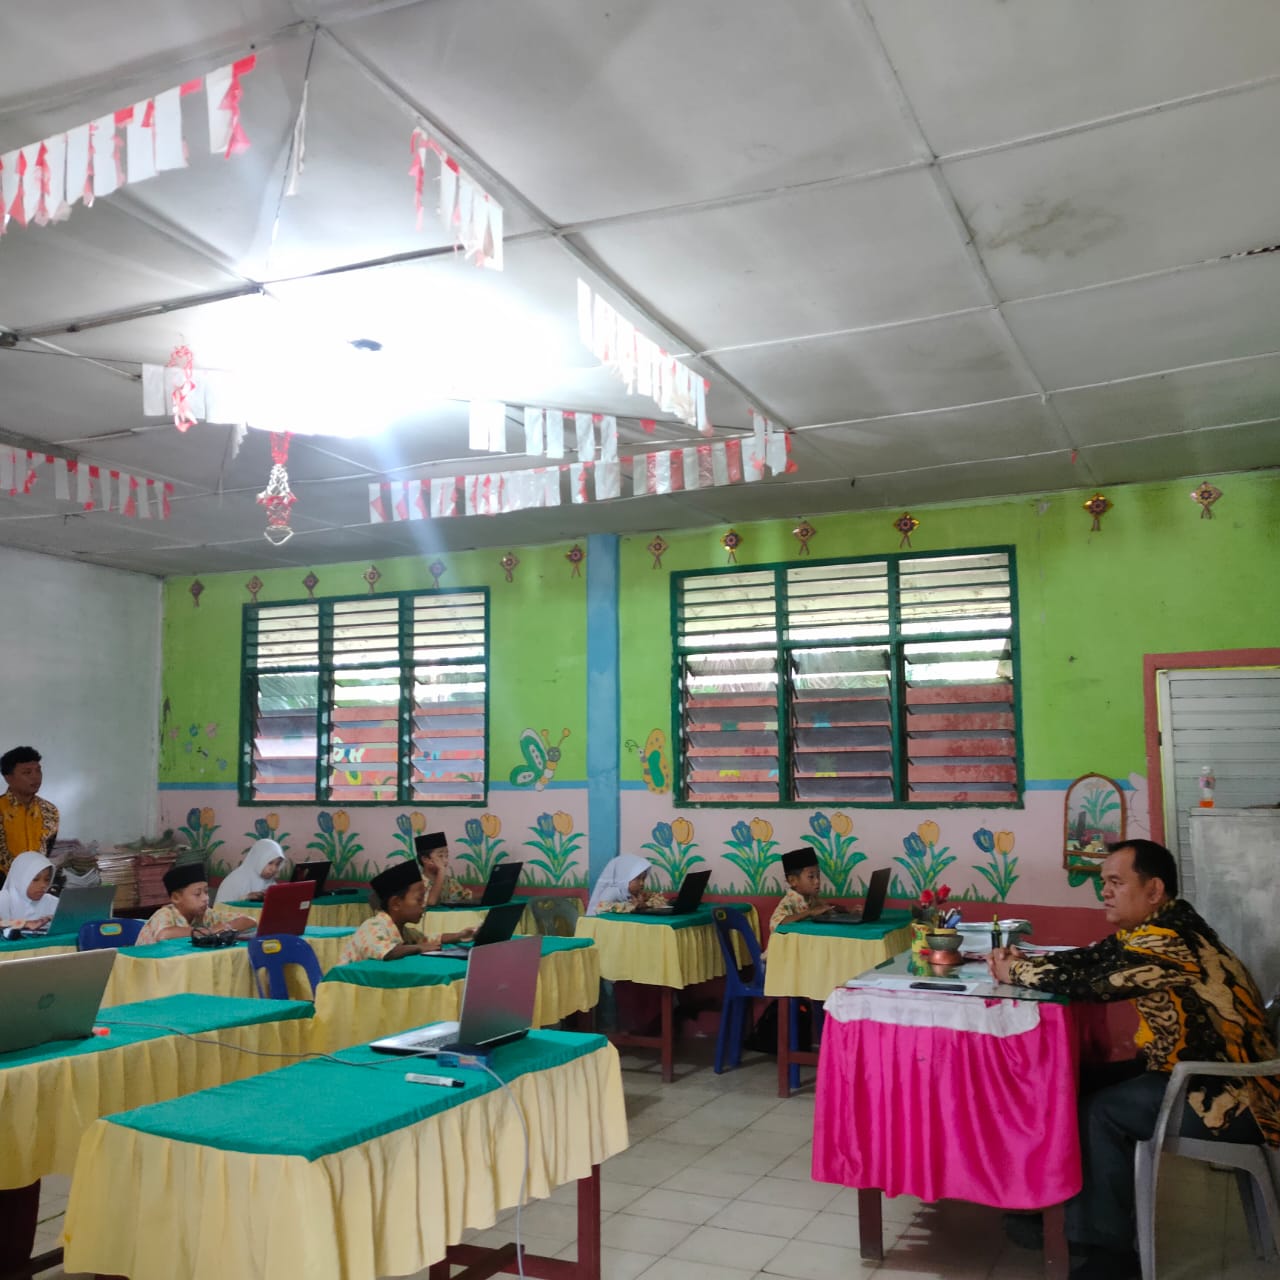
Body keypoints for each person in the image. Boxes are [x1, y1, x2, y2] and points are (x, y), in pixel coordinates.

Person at [988, 839, 1280, 1280]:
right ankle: (1054, 1208)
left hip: (1230, 1094)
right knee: (1069, 1083)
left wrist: (1014, 970)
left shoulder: (1169, 941)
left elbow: (1097, 983)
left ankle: (1109, 1256)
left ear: (1154, 890)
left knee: (1099, 1112)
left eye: (1116, 882)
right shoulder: (1161, 928)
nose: (1105, 891)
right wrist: (1027, 962)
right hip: (1187, 1071)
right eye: (1104, 882)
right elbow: (1094, 959)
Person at [338, 860, 476, 963]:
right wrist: (418, 948)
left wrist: (461, 935)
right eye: (419, 899)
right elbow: (388, 952)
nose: (424, 905)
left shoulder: (403, 931)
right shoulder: (373, 926)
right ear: (396, 904)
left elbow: (429, 939)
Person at [136, 862, 257, 944]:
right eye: (197, 894)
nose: (205, 898)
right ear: (176, 898)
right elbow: (164, 935)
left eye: (206, 892)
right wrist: (211, 931)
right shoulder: (165, 914)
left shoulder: (206, 914)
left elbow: (250, 921)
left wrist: (226, 927)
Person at [0, 746, 59, 879]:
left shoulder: (50, 811)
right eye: (27, 772)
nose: (35, 777)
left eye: (38, 770)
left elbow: (46, 852)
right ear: (8, 777)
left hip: (36, 884)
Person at [769, 846, 835, 931]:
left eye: (818, 875)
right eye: (811, 876)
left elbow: (825, 907)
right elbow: (776, 923)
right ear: (793, 880)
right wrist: (809, 912)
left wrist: (844, 910)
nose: (817, 881)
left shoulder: (813, 898)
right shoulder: (788, 902)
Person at [214, 838, 287, 905]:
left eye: (277, 864)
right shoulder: (235, 881)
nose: (274, 869)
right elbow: (220, 909)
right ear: (257, 860)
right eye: (270, 863)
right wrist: (245, 898)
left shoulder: (270, 883)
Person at [0, 851, 58, 928]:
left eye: (47, 880)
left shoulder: (51, 901)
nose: (43, 885)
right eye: (35, 879)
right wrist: (25, 924)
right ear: (19, 879)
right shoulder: (4, 898)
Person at [415, 831, 473, 906]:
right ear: (425, 859)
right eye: (440, 856)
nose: (446, 860)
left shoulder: (450, 882)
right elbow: (431, 902)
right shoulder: (417, 884)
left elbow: (464, 900)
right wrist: (441, 871)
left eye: (446, 856)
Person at [586, 853, 652, 915]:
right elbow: (602, 911)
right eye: (638, 878)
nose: (642, 883)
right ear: (625, 877)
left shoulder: (632, 895)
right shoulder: (611, 893)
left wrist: (642, 904)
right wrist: (633, 906)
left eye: (643, 879)